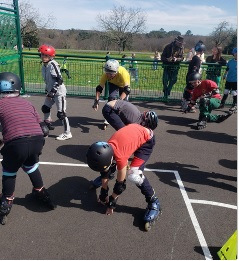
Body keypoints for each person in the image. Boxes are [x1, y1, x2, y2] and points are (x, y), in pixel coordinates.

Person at [86, 113, 160, 231]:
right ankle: (106, 178)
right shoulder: (107, 146)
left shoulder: (120, 158)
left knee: (133, 175)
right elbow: (105, 171)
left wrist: (112, 201)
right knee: (109, 169)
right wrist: (104, 192)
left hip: (147, 141)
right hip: (133, 133)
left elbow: (120, 185)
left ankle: (154, 201)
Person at [0, 72, 55, 225]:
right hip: (37, 140)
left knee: (9, 172)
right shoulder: (27, 103)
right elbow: (42, 127)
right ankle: (41, 192)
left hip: (17, 144)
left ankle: (7, 200)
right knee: (31, 166)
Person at [90, 99, 153, 188]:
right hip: (109, 110)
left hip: (112, 108)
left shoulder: (138, 118)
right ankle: (110, 171)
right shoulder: (135, 121)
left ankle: (111, 169)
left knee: (124, 142)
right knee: (123, 139)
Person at [38, 44, 72, 141]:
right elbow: (48, 80)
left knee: (61, 114)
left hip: (59, 92)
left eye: (46, 55)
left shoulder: (53, 64)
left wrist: (52, 92)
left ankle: (67, 133)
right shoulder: (44, 66)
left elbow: (59, 79)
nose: (43, 57)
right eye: (42, 55)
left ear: (51, 56)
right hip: (50, 92)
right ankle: (47, 124)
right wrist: (47, 90)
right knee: (45, 108)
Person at [92, 59, 131, 128]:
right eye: (107, 72)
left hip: (123, 85)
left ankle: (126, 120)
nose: (108, 75)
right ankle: (108, 117)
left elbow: (127, 90)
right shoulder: (105, 75)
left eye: (111, 73)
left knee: (124, 104)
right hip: (113, 84)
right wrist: (96, 101)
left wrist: (119, 101)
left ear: (116, 71)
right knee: (111, 98)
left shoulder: (123, 73)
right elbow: (99, 88)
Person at [181, 41, 206, 112]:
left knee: (188, 90)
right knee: (191, 91)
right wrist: (196, 78)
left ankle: (185, 103)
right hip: (193, 78)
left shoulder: (194, 57)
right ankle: (188, 106)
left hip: (189, 76)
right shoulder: (197, 59)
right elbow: (195, 69)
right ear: (202, 51)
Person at [219, 48, 237, 112]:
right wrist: (225, 75)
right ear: (233, 54)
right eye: (235, 53)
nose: (236, 54)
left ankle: (234, 105)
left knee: (234, 93)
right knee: (226, 91)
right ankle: (222, 103)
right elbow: (227, 69)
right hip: (229, 79)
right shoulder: (230, 61)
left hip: (236, 80)